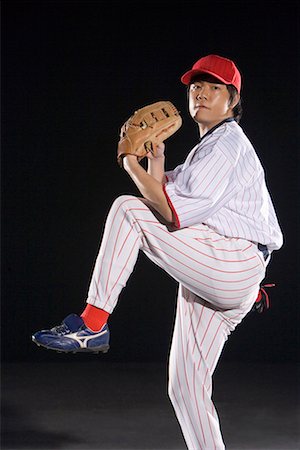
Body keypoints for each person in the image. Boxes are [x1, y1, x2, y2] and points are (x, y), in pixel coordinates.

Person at [32, 54, 283, 450]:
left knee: (128, 209)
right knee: (186, 388)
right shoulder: (209, 149)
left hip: (233, 263)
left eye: (214, 87)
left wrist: (131, 164)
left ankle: (92, 324)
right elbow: (169, 192)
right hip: (223, 270)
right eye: (195, 86)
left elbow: (167, 212)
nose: (201, 92)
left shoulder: (227, 144)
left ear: (233, 100)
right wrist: (157, 159)